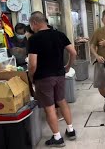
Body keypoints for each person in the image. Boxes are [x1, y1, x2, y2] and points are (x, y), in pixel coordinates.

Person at [28, 11, 77, 147]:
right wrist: (67, 66)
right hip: (60, 74)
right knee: (62, 101)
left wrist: (30, 76)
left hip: (43, 78)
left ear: (35, 23)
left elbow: (32, 64)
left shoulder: (34, 39)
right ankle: (71, 130)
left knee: (49, 108)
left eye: (31, 25)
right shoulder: (59, 34)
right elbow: (73, 52)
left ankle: (57, 138)